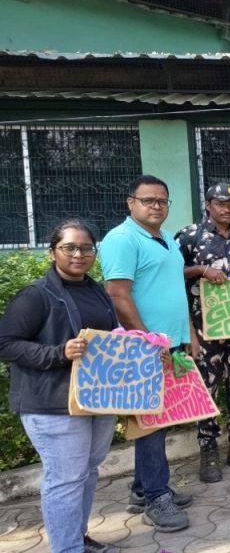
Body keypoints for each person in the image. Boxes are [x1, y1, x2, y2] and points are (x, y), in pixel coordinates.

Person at [0, 220, 121, 553]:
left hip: (96, 397)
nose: (78, 254)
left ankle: (76, 537)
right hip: (51, 403)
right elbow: (6, 343)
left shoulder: (96, 290)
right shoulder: (36, 295)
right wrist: (58, 353)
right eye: (69, 247)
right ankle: (67, 548)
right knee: (66, 479)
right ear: (53, 252)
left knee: (87, 472)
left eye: (86, 248)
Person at [99, 175, 192, 532]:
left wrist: (190, 334)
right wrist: (145, 342)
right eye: (148, 200)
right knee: (150, 422)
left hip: (171, 344)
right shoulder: (122, 239)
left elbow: (173, 291)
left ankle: (143, 488)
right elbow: (117, 293)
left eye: (162, 201)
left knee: (159, 419)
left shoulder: (167, 239)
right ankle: (156, 497)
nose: (156, 206)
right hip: (144, 349)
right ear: (130, 203)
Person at [175, 184, 230, 484]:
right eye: (220, 203)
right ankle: (208, 449)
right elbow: (171, 275)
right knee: (208, 391)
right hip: (205, 331)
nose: (227, 209)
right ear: (208, 204)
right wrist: (200, 270)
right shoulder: (189, 236)